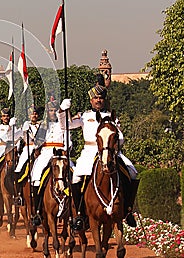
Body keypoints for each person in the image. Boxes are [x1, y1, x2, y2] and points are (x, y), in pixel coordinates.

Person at [58, 77, 139, 230]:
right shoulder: (84, 116)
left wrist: (113, 145)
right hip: (89, 152)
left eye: (101, 98)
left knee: (132, 173)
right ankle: (80, 215)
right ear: (91, 101)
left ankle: (128, 211)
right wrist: (63, 111)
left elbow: (120, 137)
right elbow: (65, 126)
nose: (98, 100)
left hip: (110, 152)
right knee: (76, 178)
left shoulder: (112, 117)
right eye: (95, 98)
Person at [29, 99, 68, 225]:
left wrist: (65, 149)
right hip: (46, 153)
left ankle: (76, 212)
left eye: (55, 110)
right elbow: (37, 143)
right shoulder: (43, 126)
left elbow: (68, 140)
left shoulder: (63, 124)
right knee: (36, 177)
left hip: (60, 154)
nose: (52, 113)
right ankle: (38, 210)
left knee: (73, 175)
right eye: (50, 110)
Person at [14, 106, 42, 206]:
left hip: (41, 149)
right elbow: (15, 138)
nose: (34, 115)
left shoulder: (42, 125)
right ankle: (19, 194)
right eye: (32, 114)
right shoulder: (25, 125)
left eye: (35, 114)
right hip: (28, 148)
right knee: (19, 168)